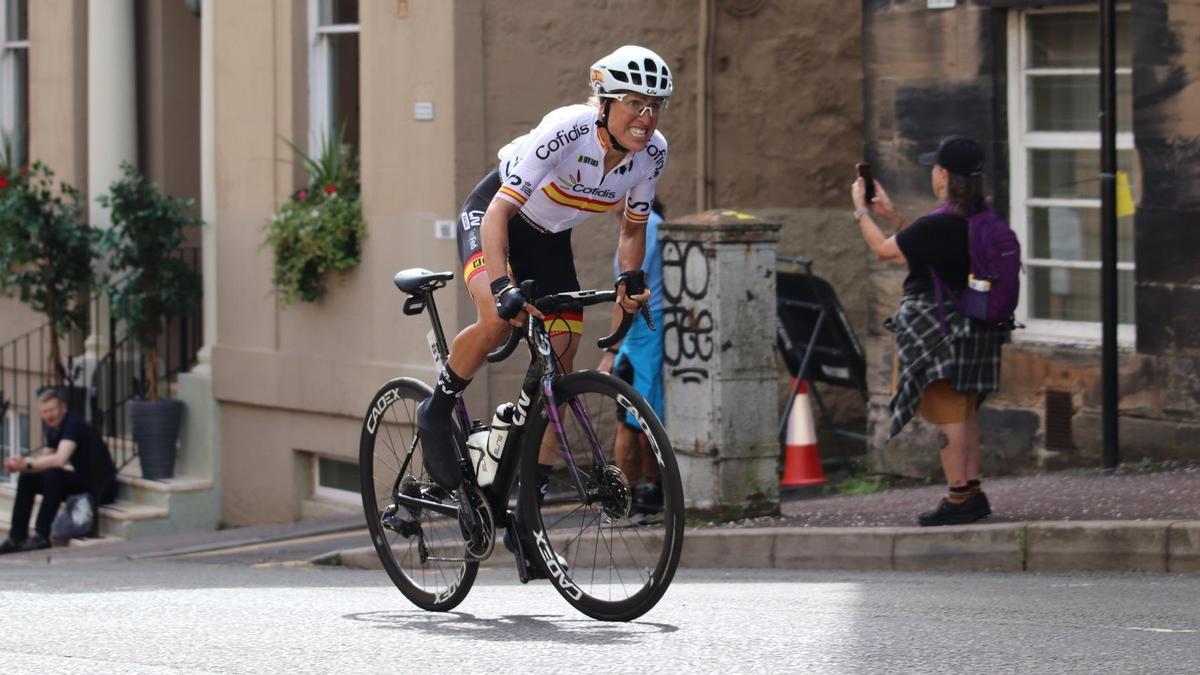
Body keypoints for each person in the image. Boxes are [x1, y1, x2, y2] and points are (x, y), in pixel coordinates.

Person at [416, 45, 672, 499]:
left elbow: (633, 230)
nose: (646, 117)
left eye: (655, 106)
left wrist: (631, 280)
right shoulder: (567, 129)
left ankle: (528, 499)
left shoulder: (651, 154)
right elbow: (497, 214)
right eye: (635, 103)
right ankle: (437, 409)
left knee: (561, 362)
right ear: (607, 102)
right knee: (496, 319)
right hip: (497, 220)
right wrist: (502, 286)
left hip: (551, 240)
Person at [850, 136, 1008, 527]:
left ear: (943, 175)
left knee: (949, 415)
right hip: (974, 325)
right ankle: (971, 489)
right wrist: (890, 214)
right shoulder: (978, 218)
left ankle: (958, 496)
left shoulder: (939, 224)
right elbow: (921, 248)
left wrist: (860, 212)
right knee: (965, 410)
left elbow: (886, 251)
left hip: (939, 332)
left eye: (934, 169)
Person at [598, 198, 665, 518]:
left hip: (644, 340)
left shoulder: (648, 225)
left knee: (635, 423)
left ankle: (630, 496)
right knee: (636, 422)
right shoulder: (641, 226)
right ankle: (646, 492)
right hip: (639, 340)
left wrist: (611, 350)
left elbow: (627, 298)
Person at [0, 387, 117, 553]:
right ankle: (16, 537)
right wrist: (22, 465)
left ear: (63, 408)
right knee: (28, 478)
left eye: (52, 410)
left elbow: (59, 459)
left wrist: (27, 465)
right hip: (81, 481)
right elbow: (44, 458)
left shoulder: (73, 423)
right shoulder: (53, 428)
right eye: (45, 411)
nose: (49, 415)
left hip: (101, 486)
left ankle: (41, 535)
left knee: (55, 475)